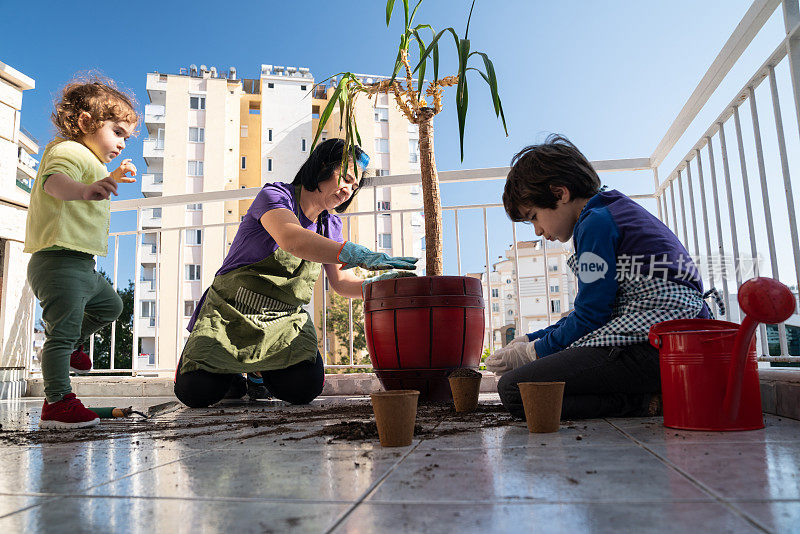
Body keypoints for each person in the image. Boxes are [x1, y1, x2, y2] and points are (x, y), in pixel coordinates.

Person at [487, 134, 721, 420]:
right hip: (681, 342)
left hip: (659, 349)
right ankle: (647, 395)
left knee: (515, 390)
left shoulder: (594, 225)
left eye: (534, 216)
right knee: (536, 381)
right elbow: (594, 311)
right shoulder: (612, 210)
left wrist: (531, 352)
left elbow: (590, 319)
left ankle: (647, 402)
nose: (537, 230)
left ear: (560, 193)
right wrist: (528, 338)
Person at [175, 139, 417, 408]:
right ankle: (231, 374)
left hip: (281, 321)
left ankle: (258, 373)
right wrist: (356, 254)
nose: (348, 190)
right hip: (231, 313)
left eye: (355, 186)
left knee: (304, 388)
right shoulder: (276, 197)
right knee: (195, 392)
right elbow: (292, 238)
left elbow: (342, 282)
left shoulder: (329, 224)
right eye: (346, 178)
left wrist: (379, 285)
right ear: (323, 166)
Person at [25, 77, 139, 428]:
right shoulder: (65, 150)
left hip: (82, 263)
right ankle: (57, 403)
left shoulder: (90, 161)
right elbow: (54, 183)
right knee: (59, 334)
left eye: (126, 137)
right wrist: (85, 189)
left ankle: (70, 345)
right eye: (117, 132)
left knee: (112, 306)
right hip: (58, 261)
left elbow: (91, 181)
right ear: (86, 122)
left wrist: (112, 177)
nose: (122, 143)